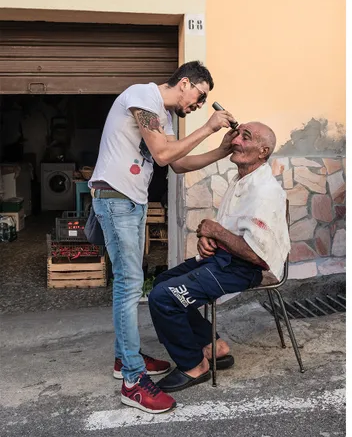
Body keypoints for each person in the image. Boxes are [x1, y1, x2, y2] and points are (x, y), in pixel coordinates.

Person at [89, 61, 236, 414]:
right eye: (200, 96)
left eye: (204, 103)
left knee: (130, 282)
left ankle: (126, 359)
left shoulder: (164, 118)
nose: (200, 105)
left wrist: (223, 148)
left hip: (132, 202)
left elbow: (178, 164)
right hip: (116, 199)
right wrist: (209, 126)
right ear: (184, 83)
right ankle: (133, 381)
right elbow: (163, 153)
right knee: (128, 286)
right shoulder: (143, 96)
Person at [148, 122, 290, 393]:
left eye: (244, 137)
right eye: (237, 134)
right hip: (224, 261)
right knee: (162, 282)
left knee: (164, 298)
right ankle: (214, 346)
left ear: (263, 151)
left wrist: (215, 231)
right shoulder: (242, 181)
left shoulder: (265, 191)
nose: (235, 140)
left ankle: (194, 365)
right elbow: (227, 231)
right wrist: (208, 238)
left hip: (245, 268)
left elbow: (256, 255)